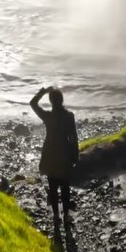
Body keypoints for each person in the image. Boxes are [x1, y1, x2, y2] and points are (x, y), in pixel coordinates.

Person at [29, 85, 79, 226]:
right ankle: (66, 215)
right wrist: (75, 156)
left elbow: (32, 103)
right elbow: (73, 137)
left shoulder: (48, 116)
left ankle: (56, 216)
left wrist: (43, 92)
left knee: (52, 187)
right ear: (62, 100)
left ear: (51, 101)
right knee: (65, 187)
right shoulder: (69, 116)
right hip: (64, 153)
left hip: (50, 153)